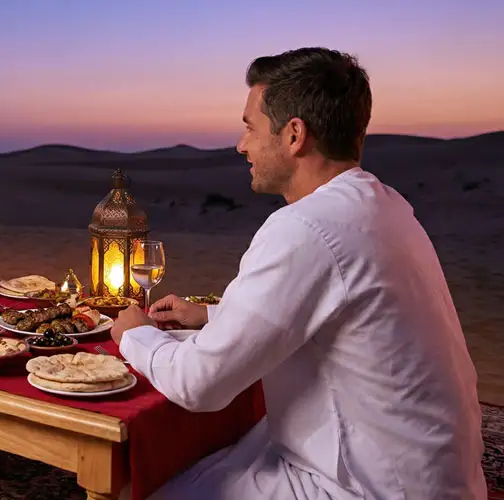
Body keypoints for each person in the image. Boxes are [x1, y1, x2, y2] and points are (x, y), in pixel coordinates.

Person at [110, 47, 487, 499]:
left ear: (293, 135)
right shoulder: (382, 205)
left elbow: (199, 384)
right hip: (434, 477)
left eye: (250, 127)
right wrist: (213, 316)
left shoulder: (306, 228)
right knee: (218, 459)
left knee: (159, 487)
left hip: (369, 487)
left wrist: (134, 334)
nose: (241, 144)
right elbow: (336, 310)